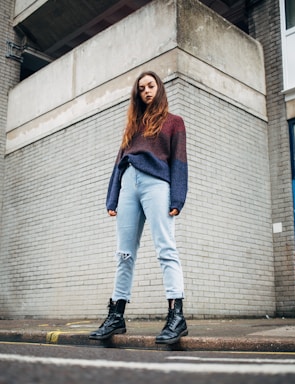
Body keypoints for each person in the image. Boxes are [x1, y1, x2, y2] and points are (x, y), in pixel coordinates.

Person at [89, 71, 188, 345]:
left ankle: (176, 315)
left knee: (165, 247)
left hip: (157, 184)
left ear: (159, 88)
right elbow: (119, 163)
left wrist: (177, 198)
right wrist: (112, 198)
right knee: (123, 254)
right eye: (142, 87)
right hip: (128, 185)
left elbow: (179, 162)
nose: (146, 91)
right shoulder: (132, 127)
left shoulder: (174, 123)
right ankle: (117, 315)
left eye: (151, 86)